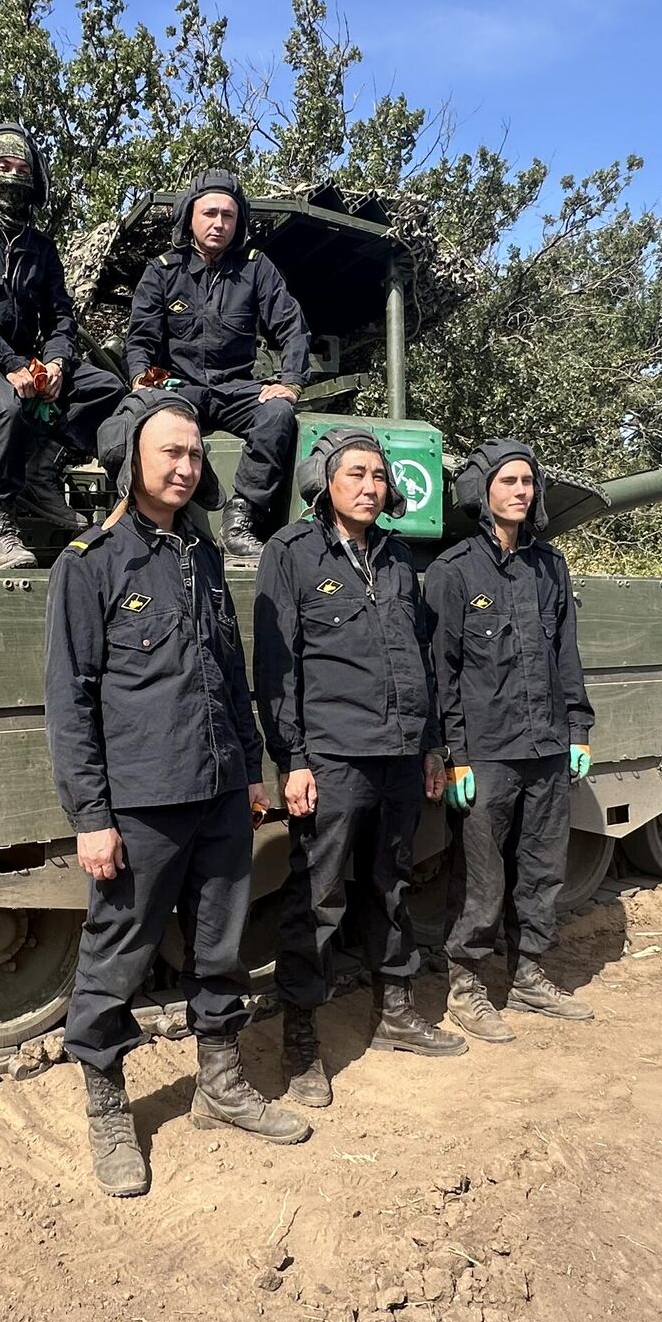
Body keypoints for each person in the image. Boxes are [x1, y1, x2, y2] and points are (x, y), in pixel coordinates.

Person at [44, 388, 311, 1199]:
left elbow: (230, 679)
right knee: (117, 955)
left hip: (221, 788)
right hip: (142, 799)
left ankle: (220, 1085)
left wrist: (251, 773)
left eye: (196, 454)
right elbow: (71, 699)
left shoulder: (200, 558)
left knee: (222, 944)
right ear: (133, 460)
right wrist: (92, 817)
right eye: (173, 452)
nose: (188, 466)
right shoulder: (88, 564)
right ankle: (104, 1104)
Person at [254, 428, 467, 1108]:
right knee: (317, 897)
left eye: (379, 475)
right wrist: (293, 757)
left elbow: (423, 660)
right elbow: (276, 666)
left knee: (393, 885)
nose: (370, 486)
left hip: (402, 755)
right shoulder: (291, 553)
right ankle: (301, 1040)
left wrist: (432, 745)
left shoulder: (401, 559)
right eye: (356, 474)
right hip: (334, 756)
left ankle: (397, 1012)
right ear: (327, 482)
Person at [423, 439, 596, 1043]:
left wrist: (577, 729)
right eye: (508, 482)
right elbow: (440, 670)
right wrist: (454, 755)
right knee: (479, 877)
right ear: (482, 492)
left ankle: (529, 976)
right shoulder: (453, 571)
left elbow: (564, 655)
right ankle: (467, 985)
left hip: (546, 746)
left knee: (542, 869)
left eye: (528, 482)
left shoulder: (550, 566)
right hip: (487, 753)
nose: (521, 491)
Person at [0, 124, 125, 569]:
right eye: (2, 166)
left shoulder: (41, 248)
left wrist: (55, 363)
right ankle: (3, 529)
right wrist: (10, 362)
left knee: (108, 390)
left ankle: (40, 466)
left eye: (22, 169)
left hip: (25, 360)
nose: (13, 176)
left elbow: (61, 317)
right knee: (5, 405)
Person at [125, 169, 311, 559]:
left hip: (236, 388)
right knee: (145, 417)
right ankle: (147, 519)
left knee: (278, 414)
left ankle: (241, 515)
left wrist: (291, 382)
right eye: (209, 213)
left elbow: (292, 326)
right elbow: (140, 339)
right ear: (190, 217)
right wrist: (142, 379)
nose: (219, 223)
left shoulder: (256, 268)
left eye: (228, 215)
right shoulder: (162, 271)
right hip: (181, 390)